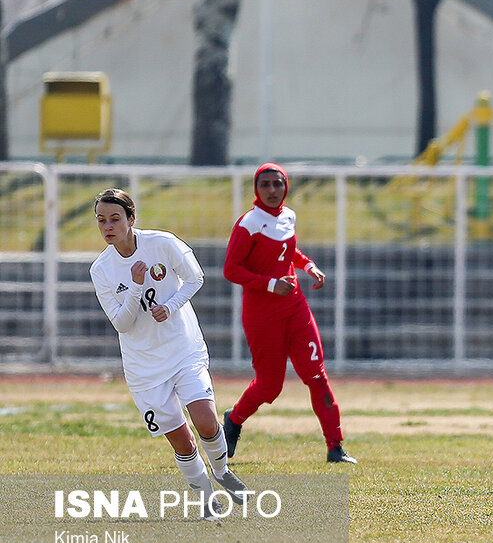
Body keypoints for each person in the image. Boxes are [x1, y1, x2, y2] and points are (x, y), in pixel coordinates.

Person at [89, 188, 248, 519]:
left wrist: (171, 305)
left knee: (205, 418)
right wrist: (134, 287)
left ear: (132, 219)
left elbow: (195, 278)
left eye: (115, 219)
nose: (108, 226)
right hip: (144, 368)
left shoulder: (163, 243)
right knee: (181, 441)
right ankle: (206, 501)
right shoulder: (101, 269)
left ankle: (222, 473)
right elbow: (121, 323)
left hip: (182, 350)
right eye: (101, 220)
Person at [222, 162, 355, 464]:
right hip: (262, 314)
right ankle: (234, 419)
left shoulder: (289, 216)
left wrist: (307, 265)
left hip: (295, 306)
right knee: (270, 387)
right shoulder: (249, 223)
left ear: (286, 186)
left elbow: (285, 251)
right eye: (265, 184)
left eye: (277, 184)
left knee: (316, 376)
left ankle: (335, 447)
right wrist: (269, 285)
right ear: (255, 189)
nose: (272, 190)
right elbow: (231, 269)